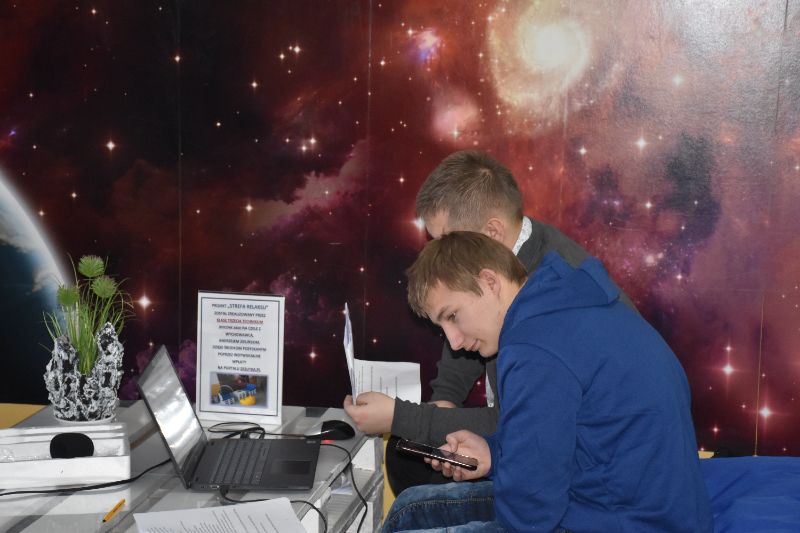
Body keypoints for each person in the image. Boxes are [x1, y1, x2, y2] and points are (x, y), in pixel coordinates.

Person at [344, 150, 634, 495]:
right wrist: (446, 399)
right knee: (409, 465)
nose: (441, 254)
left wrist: (402, 418)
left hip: (591, 480)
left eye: (449, 241)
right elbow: (467, 333)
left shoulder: (547, 306)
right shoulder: (512, 264)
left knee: (419, 486)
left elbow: (518, 424)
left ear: (492, 232)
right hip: (542, 455)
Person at [381, 231, 712, 532]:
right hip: (629, 503)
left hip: (626, 520)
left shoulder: (534, 348)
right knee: (408, 511)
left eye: (453, 316)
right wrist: (494, 452)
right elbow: (569, 440)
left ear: (489, 282)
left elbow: (530, 513)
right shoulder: (562, 304)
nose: (453, 342)